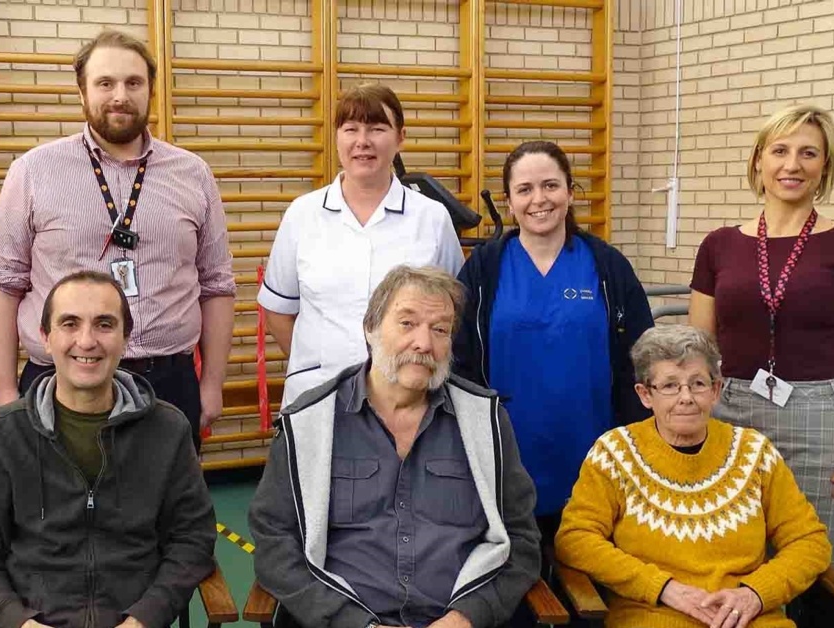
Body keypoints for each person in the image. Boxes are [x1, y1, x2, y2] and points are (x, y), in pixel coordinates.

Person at [0, 29, 236, 449]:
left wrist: (211, 385)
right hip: (59, 379)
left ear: (151, 89)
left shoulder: (193, 174)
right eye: (105, 83)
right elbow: (3, 284)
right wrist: (5, 392)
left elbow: (217, 285)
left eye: (133, 83)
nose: (120, 95)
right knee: (56, 513)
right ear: (82, 92)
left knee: (165, 513)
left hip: (167, 382)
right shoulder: (33, 172)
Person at [687, 104, 834, 626]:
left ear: (825, 166)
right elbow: (697, 348)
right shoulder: (719, 245)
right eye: (779, 150)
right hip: (732, 416)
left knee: (826, 576)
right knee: (738, 567)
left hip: (827, 421)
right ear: (758, 161)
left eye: (809, 153)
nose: (792, 164)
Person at [250, 265, 541, 628]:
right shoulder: (309, 422)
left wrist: (468, 616)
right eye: (407, 323)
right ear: (370, 328)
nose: (424, 343)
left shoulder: (487, 422)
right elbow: (276, 543)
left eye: (440, 330)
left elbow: (521, 540)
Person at [0, 271, 217, 628]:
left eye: (104, 324)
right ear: (46, 338)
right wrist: (17, 620)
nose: (86, 341)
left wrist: (146, 616)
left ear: (125, 338)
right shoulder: (0, 436)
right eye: (70, 324)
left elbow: (192, 540)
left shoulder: (167, 431)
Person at [555, 325, 832, 628]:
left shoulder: (755, 453)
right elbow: (575, 539)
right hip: (653, 616)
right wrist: (662, 588)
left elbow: (809, 541)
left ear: (716, 390)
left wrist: (755, 593)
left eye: (698, 383)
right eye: (670, 386)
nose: (686, 397)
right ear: (645, 395)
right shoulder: (614, 453)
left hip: (747, 618)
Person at [452, 140, 653, 542]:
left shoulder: (606, 266)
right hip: (508, 452)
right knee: (519, 582)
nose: (538, 199)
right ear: (509, 201)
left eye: (550, 186)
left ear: (570, 192)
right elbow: (460, 360)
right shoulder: (484, 269)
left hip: (592, 449)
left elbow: (642, 357)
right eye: (524, 190)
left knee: (589, 572)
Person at [258, 83, 464, 403]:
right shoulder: (302, 215)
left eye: (377, 128)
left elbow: (451, 314)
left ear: (401, 138)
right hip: (318, 396)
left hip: (407, 400)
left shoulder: (432, 219)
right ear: (338, 137)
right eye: (350, 128)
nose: (362, 142)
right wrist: (319, 363)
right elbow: (279, 313)